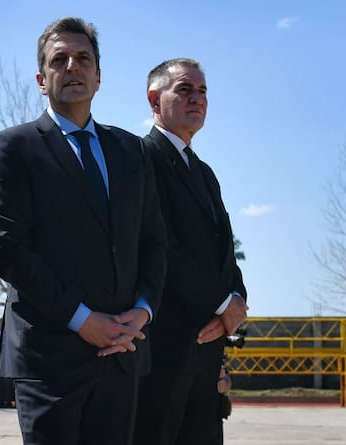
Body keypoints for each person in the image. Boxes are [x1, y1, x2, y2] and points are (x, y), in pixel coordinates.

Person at [0, 17, 167, 445]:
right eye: (59, 60)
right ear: (41, 80)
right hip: (50, 359)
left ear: (99, 75)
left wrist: (142, 312)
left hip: (123, 351)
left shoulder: (132, 150)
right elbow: (9, 251)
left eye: (83, 58)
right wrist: (82, 320)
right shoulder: (13, 148)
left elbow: (155, 242)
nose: (72, 67)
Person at [135, 58, 248, 444]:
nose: (196, 98)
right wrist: (221, 303)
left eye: (202, 91)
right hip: (163, 352)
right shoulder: (140, 159)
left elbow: (224, 248)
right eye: (184, 89)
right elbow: (161, 244)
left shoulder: (204, 172)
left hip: (207, 353)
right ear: (154, 99)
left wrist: (236, 302)